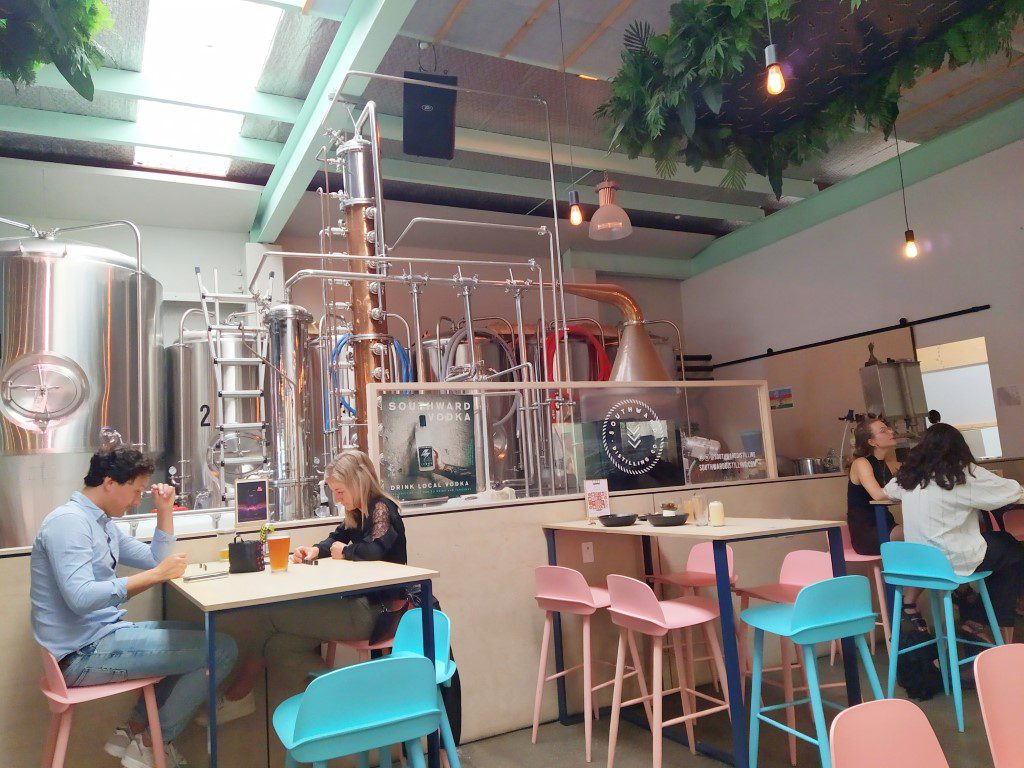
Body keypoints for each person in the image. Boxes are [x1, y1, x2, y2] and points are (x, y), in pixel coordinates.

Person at [30, 447, 238, 768]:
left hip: (102, 638)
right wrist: (155, 576)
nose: (138, 499)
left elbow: (158, 559)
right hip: (81, 655)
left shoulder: (100, 524)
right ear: (110, 482)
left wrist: (164, 510)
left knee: (207, 637)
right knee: (221, 650)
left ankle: (133, 730)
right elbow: (81, 597)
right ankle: (153, 741)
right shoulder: (69, 523)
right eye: (136, 491)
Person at [212, 449, 409, 716]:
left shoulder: (381, 508)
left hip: (378, 613)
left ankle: (239, 695)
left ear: (357, 482)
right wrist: (317, 550)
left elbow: (373, 550)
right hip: (360, 606)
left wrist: (346, 551)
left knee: (268, 616)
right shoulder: (358, 512)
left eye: (340, 491)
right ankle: (337, 698)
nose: (337, 499)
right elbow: (336, 537)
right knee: (277, 646)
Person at [885, 423, 1024, 642]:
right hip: (950, 560)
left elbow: (889, 490)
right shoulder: (962, 474)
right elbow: (1012, 491)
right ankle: (983, 622)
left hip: (920, 563)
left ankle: (977, 618)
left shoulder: (909, 477)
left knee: (1004, 548)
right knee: (1011, 551)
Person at [846, 417, 924, 629]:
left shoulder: (890, 461)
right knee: (925, 537)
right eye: (883, 430)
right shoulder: (861, 463)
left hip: (887, 525)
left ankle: (909, 600)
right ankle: (909, 601)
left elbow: (911, 485)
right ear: (872, 441)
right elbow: (878, 495)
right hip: (868, 532)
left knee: (928, 539)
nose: (890, 431)